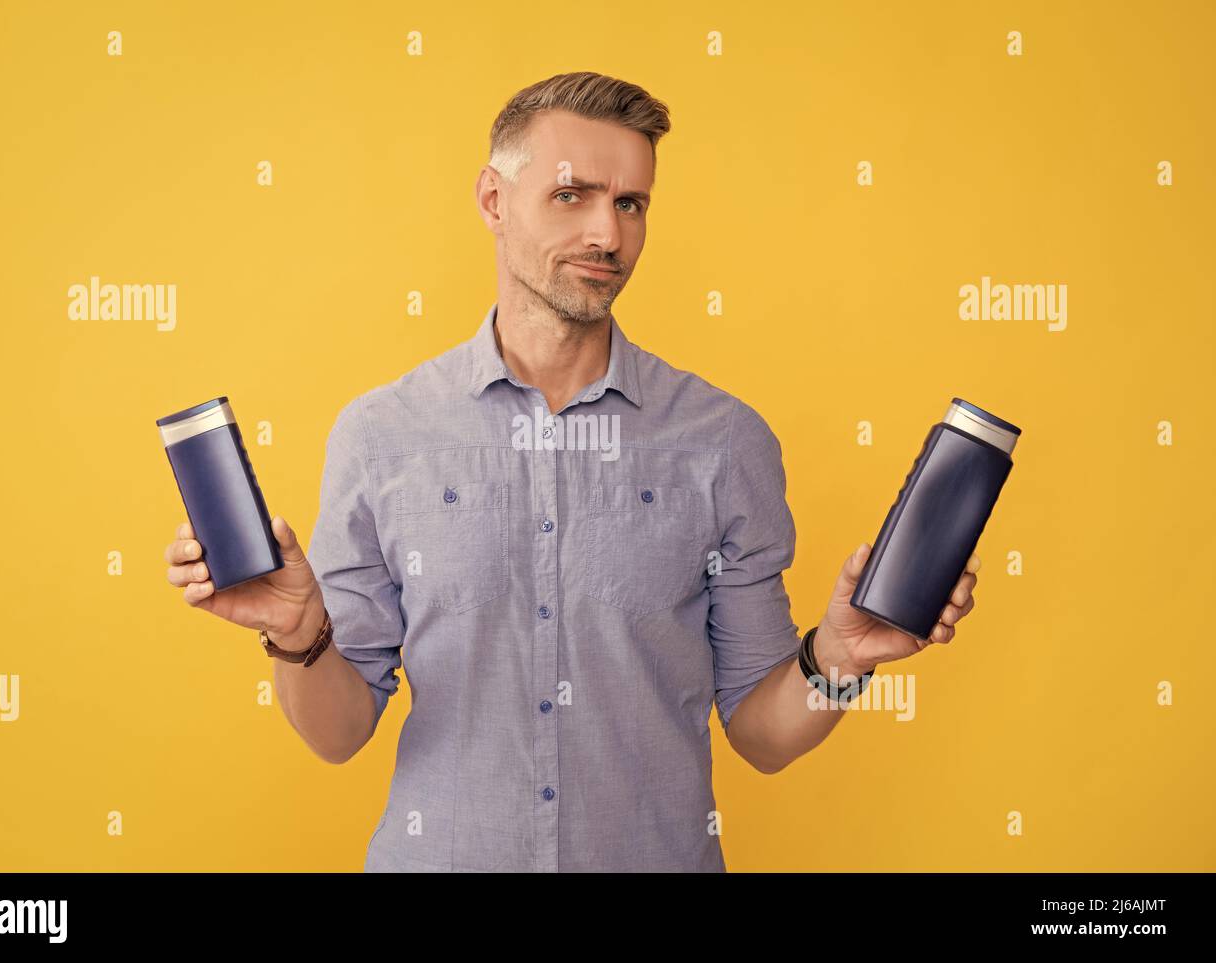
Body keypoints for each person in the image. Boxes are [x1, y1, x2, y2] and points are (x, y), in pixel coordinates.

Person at [163, 71, 980, 872]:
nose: (608, 235)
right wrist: (298, 636)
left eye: (630, 203)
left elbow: (762, 737)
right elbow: (340, 734)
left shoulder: (725, 442)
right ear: (493, 201)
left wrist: (839, 659)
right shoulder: (381, 436)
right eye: (572, 195)